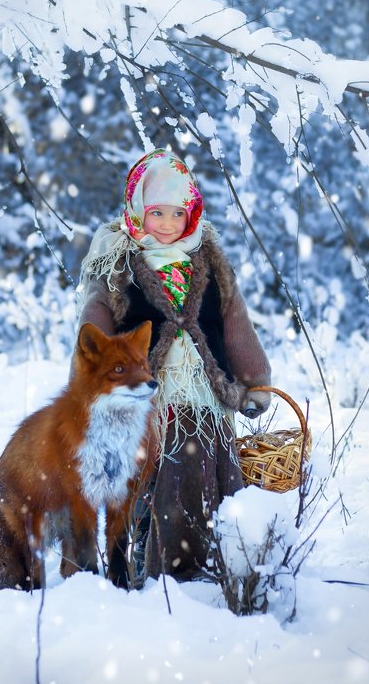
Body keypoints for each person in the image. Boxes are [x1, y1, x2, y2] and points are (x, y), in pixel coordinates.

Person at [76, 148, 271, 582]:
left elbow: (234, 321)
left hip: (205, 394)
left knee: (202, 473)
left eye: (177, 214)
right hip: (145, 396)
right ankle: (152, 563)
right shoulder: (118, 262)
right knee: (149, 479)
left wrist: (254, 379)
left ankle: (205, 562)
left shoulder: (209, 260)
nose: (167, 224)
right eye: (157, 213)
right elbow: (95, 326)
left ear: (192, 213)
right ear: (137, 211)